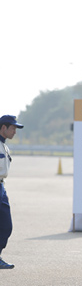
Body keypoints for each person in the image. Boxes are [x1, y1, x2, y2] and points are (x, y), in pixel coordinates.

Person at [0, 115, 24, 269]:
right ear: (3, 128)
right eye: (13, 128)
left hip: (1, 186)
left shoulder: (4, 146)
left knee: (6, 226)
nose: (15, 131)